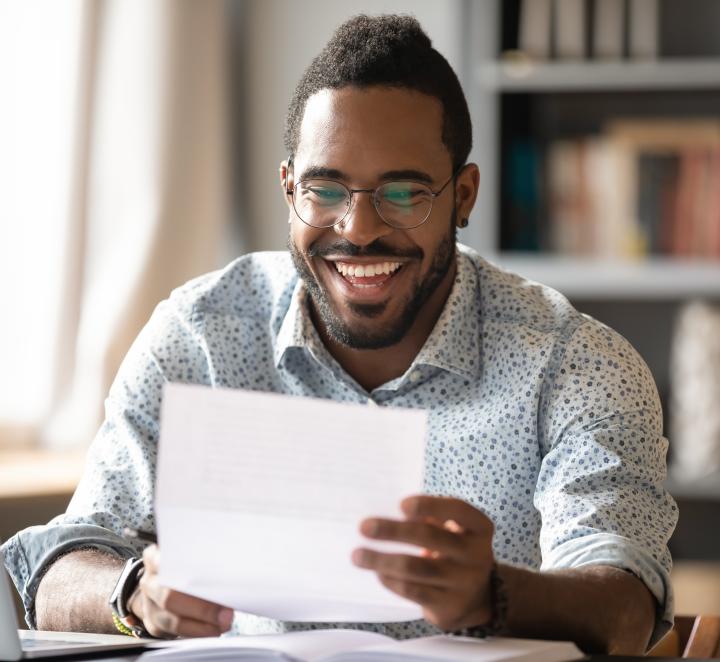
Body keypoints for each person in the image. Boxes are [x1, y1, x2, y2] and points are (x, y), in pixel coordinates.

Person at [2, 14, 676, 655]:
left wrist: (493, 594)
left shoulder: (575, 363)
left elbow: (626, 607)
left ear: (463, 195)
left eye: (404, 193)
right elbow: (53, 571)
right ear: (289, 188)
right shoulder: (200, 334)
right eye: (325, 191)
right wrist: (135, 595)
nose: (356, 230)